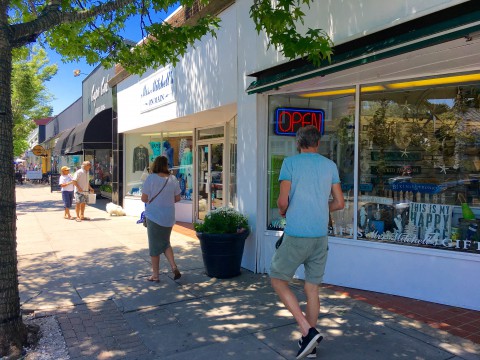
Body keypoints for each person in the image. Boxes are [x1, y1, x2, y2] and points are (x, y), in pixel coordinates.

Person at [270, 125, 345, 359]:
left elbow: (282, 201)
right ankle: (309, 345)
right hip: (320, 236)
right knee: (312, 288)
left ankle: (307, 329)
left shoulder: (290, 164)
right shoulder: (329, 165)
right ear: (318, 143)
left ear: (298, 143)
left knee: (277, 279)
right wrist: (321, 208)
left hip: (297, 233)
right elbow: (340, 202)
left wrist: (284, 210)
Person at [141, 156, 182, 282]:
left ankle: (155, 275)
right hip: (168, 217)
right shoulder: (173, 179)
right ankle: (174, 266)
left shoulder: (151, 178)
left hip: (154, 216)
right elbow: (177, 198)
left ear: (155, 165)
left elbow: (144, 198)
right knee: (165, 243)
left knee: (154, 247)